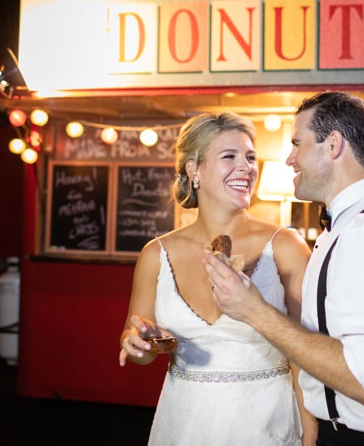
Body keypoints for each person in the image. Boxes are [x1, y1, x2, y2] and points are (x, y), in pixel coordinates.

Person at [203, 92, 364, 446]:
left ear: (333, 144)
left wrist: (254, 311)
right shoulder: (348, 226)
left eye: (297, 144)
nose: (289, 159)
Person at [117, 112, 317, 445]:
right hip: (184, 425)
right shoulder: (155, 254)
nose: (246, 167)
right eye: (229, 156)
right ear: (194, 170)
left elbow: (308, 356)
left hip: (266, 426)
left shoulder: (285, 246)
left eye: (250, 157)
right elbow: (141, 352)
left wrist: (311, 439)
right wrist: (139, 342)